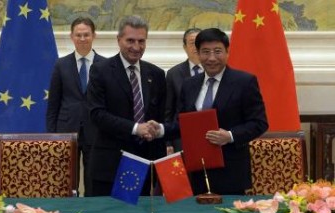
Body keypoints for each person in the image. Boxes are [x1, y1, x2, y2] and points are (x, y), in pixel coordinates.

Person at [152, 28, 268, 195]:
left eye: (217, 51)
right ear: (198, 54)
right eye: (205, 52)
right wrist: (161, 130)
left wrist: (230, 136)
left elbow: (259, 123)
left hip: (230, 171)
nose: (212, 58)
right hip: (196, 170)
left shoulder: (244, 82)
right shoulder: (189, 85)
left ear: (227, 52)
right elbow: (183, 124)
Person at [86, 15, 167, 196]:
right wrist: (136, 128)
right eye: (130, 40)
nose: (136, 47)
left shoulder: (156, 74)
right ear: (119, 40)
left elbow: (162, 116)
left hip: (145, 164)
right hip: (110, 164)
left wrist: (156, 129)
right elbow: (97, 114)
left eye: (141, 41)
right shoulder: (100, 70)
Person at [46, 17, 106, 197]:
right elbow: (53, 104)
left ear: (94, 36)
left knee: (93, 180)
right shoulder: (61, 65)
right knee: (67, 182)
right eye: (78, 35)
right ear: (72, 37)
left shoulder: (105, 65)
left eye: (86, 34)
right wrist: (52, 136)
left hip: (96, 131)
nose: (82, 38)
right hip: (66, 131)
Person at [165, 28, 202, 154]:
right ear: (185, 47)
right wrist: (168, 142)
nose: (196, 46)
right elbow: (168, 111)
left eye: (199, 42)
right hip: (180, 138)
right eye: (192, 43)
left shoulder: (214, 71)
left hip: (210, 136)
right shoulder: (173, 74)